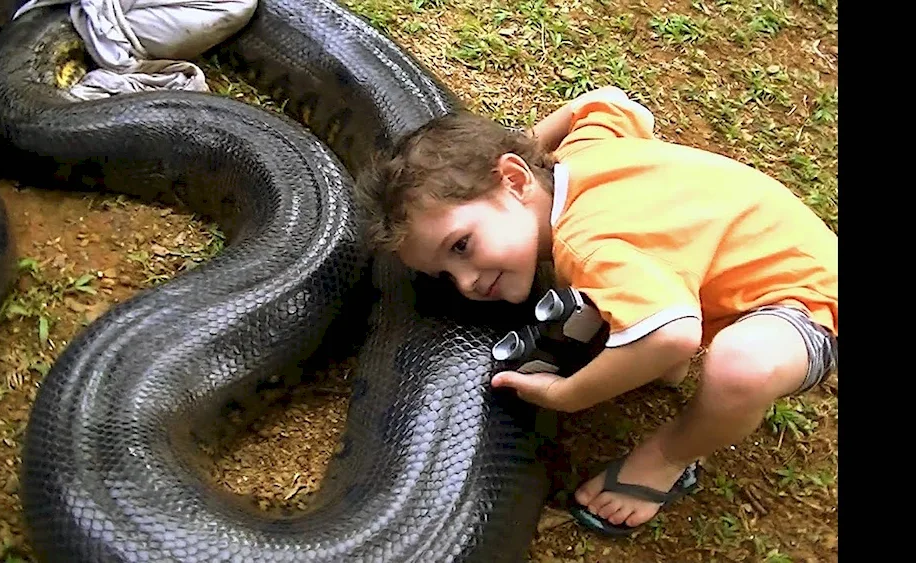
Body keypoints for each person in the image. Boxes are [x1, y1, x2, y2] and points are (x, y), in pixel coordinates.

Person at [354, 85, 838, 536]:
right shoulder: (582, 155)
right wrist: (526, 146)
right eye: (445, 274)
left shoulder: (585, 244)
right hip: (761, 258)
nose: (466, 283)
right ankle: (651, 326)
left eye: (461, 246)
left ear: (517, 181)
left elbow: (674, 336)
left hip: (807, 302)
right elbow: (606, 101)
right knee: (640, 311)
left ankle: (667, 458)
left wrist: (570, 394)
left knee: (739, 366)